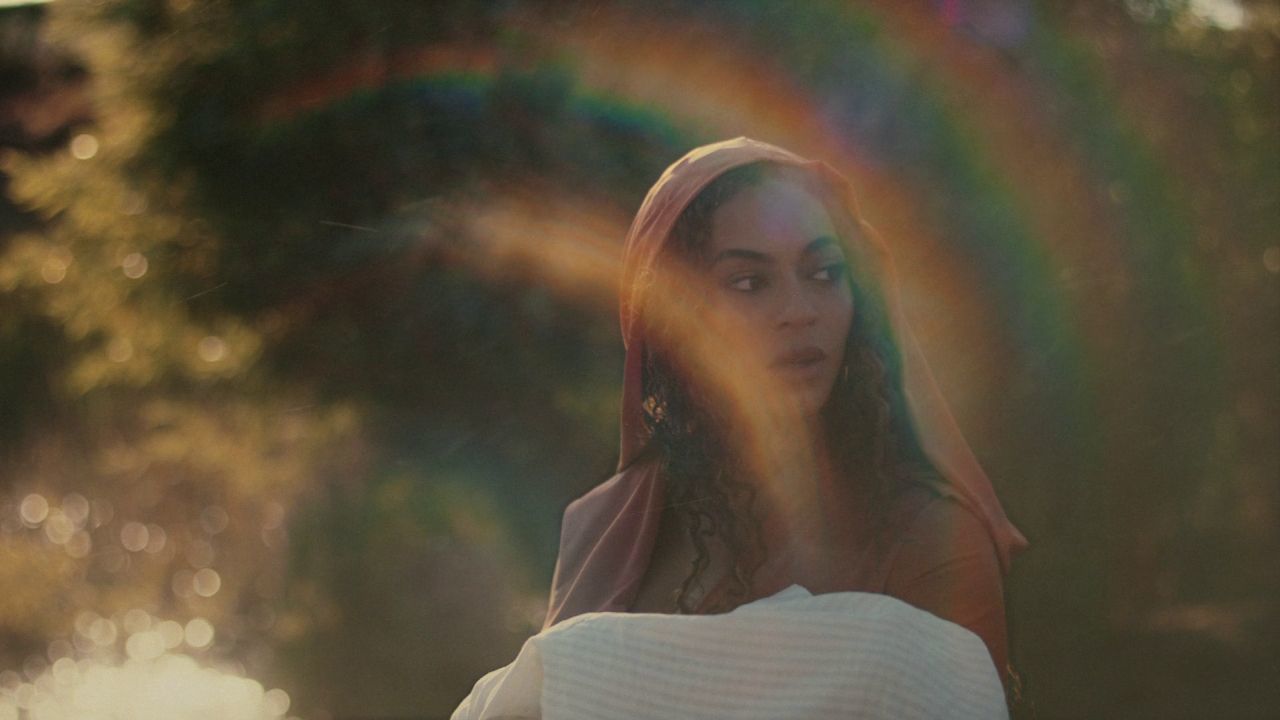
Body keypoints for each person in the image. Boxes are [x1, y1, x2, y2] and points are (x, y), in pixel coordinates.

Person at [541, 137, 1028, 682]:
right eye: (750, 282)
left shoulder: (928, 542)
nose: (799, 312)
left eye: (824, 273)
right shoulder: (613, 532)